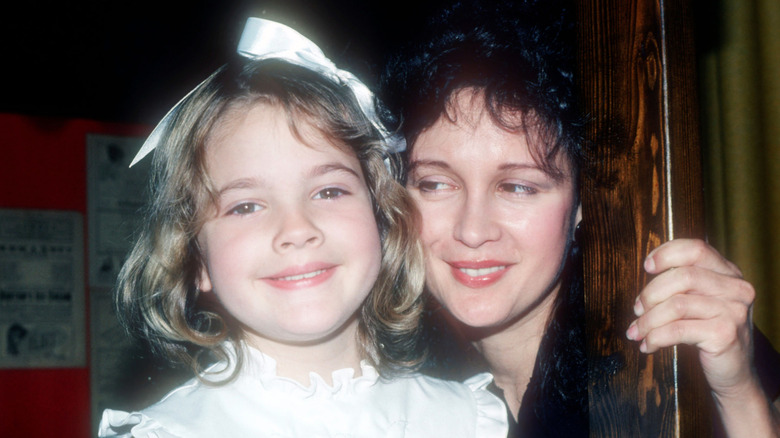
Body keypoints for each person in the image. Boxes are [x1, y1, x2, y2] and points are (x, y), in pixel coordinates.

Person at [380, 0, 780, 437]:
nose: (472, 231)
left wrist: (738, 391)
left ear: (582, 204)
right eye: (436, 184)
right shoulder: (377, 368)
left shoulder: (669, 319)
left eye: (518, 187)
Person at [98, 18, 508, 438]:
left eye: (329, 192)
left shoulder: (468, 420)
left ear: (382, 219)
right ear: (195, 258)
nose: (296, 229)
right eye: (246, 206)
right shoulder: (167, 433)